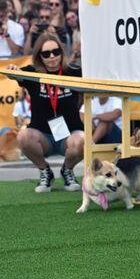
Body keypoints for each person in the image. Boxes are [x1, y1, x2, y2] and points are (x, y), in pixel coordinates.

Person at [6, 34, 84, 193]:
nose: (52, 56)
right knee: (23, 136)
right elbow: (13, 74)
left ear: (62, 52)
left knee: (84, 139)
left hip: (69, 135)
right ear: (39, 56)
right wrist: (12, 70)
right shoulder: (32, 72)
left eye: (56, 51)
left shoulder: (74, 71)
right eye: (46, 53)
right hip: (42, 136)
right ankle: (45, 171)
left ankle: (67, 170)